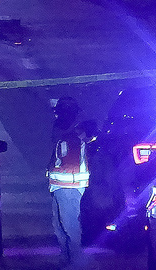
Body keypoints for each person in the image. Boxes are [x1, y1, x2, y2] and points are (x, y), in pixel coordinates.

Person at [48, 113, 91, 268]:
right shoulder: (69, 140)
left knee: (68, 224)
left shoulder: (70, 140)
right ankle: (68, 258)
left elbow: (70, 167)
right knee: (60, 224)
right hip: (62, 187)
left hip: (67, 187)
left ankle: (76, 261)